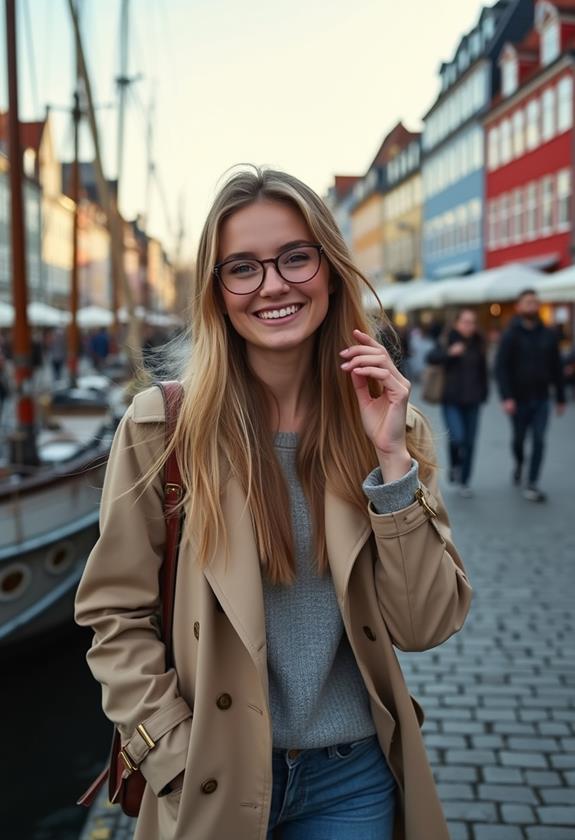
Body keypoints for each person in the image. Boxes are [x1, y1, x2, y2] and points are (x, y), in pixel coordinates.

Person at [75, 167, 472, 840]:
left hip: (351, 780)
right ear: (216, 290)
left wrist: (392, 467)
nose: (273, 285)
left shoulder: (390, 431)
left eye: (295, 257)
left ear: (328, 267)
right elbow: (114, 611)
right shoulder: (162, 427)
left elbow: (424, 625)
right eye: (242, 268)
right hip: (210, 776)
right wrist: (171, 751)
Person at [495, 288, 565, 502]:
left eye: (535, 302)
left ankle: (532, 482)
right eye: (527, 302)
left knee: (539, 440)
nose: (532, 306)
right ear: (519, 307)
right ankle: (519, 463)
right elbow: (501, 367)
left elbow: (557, 367)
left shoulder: (548, 334)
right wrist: (506, 397)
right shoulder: (510, 335)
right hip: (517, 399)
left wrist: (561, 397)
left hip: (541, 398)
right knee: (519, 439)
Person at [426, 309, 488, 497]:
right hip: (451, 399)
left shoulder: (478, 343)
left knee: (469, 443)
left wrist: (484, 393)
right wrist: (449, 353)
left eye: (472, 322)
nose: (469, 326)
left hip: (473, 400)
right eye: (466, 322)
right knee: (457, 438)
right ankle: (454, 466)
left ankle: (464, 481)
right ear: (456, 323)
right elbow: (430, 357)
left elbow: (483, 371)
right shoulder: (446, 340)